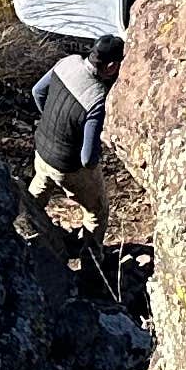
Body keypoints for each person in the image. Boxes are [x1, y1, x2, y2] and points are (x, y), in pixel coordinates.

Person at [29, 33, 124, 236]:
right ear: (111, 67)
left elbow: (37, 91)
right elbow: (88, 159)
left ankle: (23, 228)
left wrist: (53, 123)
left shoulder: (67, 63)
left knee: (37, 193)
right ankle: (91, 262)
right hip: (68, 167)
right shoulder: (96, 99)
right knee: (96, 212)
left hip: (42, 150)